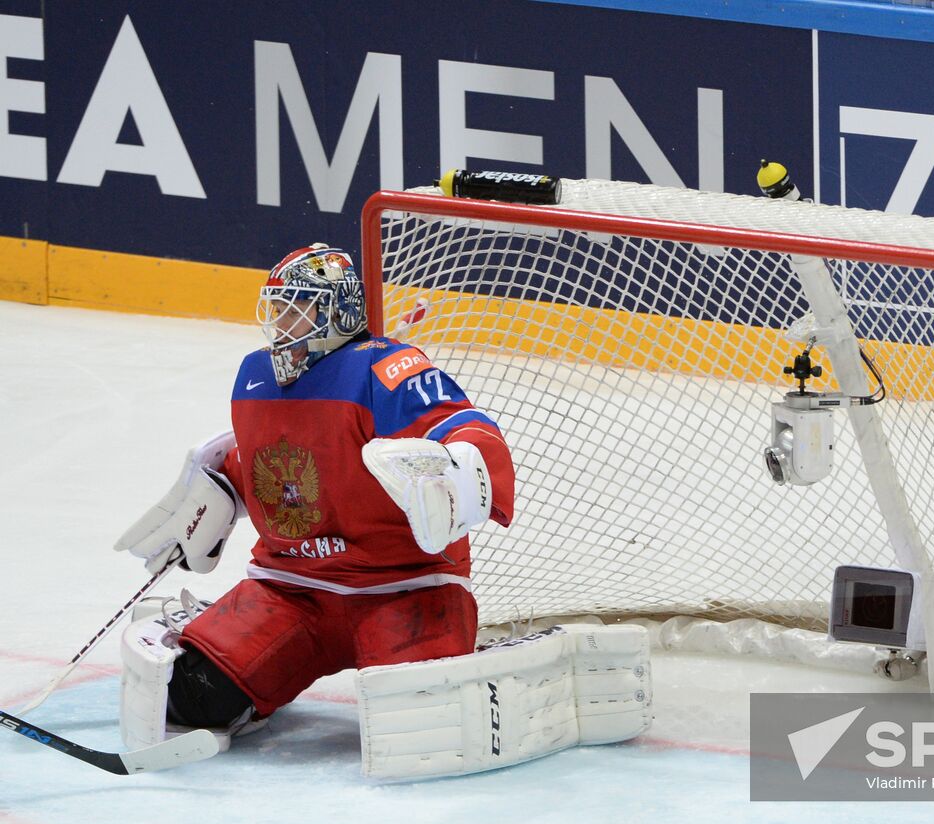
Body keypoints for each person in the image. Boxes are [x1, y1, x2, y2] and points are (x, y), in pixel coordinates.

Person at [113, 244, 651, 779]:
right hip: (290, 588)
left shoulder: (385, 367)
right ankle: (222, 645)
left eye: (297, 307)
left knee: (424, 720)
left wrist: (460, 466)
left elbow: (464, 426)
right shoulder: (255, 377)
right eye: (276, 308)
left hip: (404, 588)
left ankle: (526, 674)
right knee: (191, 697)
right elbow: (271, 457)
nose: (282, 322)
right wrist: (220, 488)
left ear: (338, 312)